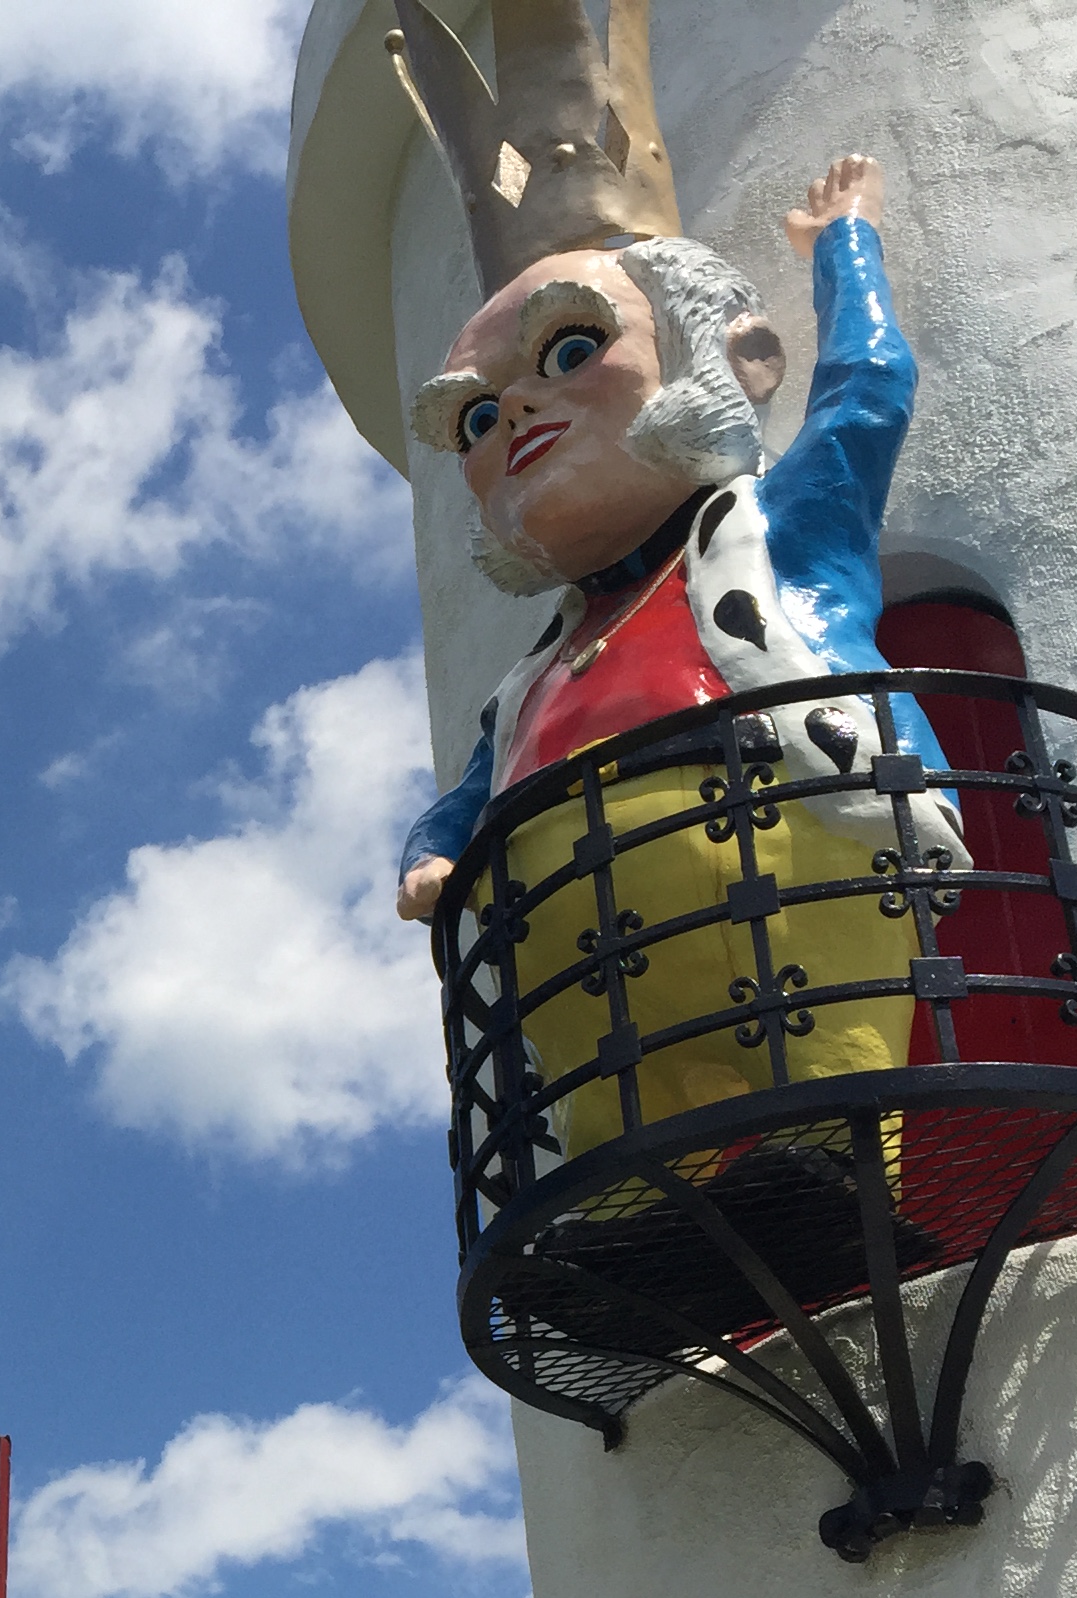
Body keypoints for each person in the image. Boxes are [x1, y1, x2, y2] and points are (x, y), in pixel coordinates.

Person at [392, 156, 963, 1164]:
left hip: (799, 896)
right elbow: (468, 798)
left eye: (571, 348)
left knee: (826, 1084)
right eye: (477, 416)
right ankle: (633, 1201)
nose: (513, 412)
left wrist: (844, 242)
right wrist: (430, 859)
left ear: (728, 354)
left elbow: (866, 393)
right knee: (622, 1155)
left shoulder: (769, 533)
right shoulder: (533, 676)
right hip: (584, 993)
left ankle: (836, 1154)